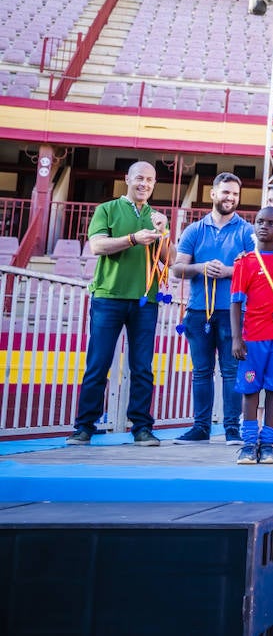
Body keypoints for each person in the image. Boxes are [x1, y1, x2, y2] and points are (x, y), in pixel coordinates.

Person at [67, 161, 169, 447]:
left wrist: (165, 233)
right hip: (108, 296)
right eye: (139, 178)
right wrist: (133, 239)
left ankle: (141, 427)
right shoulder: (107, 209)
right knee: (97, 364)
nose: (144, 184)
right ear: (127, 179)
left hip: (145, 300)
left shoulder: (157, 216)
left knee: (142, 367)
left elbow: (169, 260)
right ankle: (84, 426)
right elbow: (97, 246)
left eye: (150, 180)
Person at [170, 172, 255, 444]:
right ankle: (201, 427)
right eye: (225, 192)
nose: (230, 198)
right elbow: (177, 269)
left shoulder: (247, 230)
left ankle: (232, 428)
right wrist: (201, 268)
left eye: (234, 194)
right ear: (213, 194)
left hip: (233, 312)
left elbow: (257, 270)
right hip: (198, 311)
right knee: (202, 371)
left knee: (231, 371)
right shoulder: (194, 229)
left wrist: (230, 271)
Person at [229, 207, 273, 464]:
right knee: (250, 389)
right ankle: (248, 442)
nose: (264, 226)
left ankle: (268, 443)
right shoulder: (245, 262)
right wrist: (236, 338)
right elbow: (235, 302)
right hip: (252, 337)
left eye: (271, 223)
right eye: (260, 221)